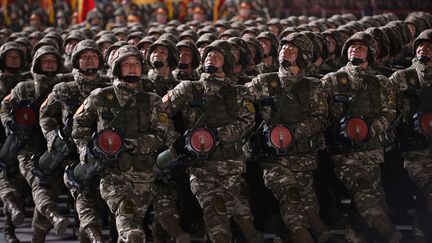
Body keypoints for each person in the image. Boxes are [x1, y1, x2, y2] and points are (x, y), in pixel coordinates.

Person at [162, 40, 257, 243]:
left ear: (228, 63)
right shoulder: (188, 88)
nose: (211, 58)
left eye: (218, 56)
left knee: (244, 216)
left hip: (232, 164)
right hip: (200, 165)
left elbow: (247, 123)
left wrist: (217, 135)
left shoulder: (239, 92)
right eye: (208, 55)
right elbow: (159, 114)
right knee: (215, 213)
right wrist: (174, 139)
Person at [72, 45, 169, 242]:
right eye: (127, 64)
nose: (132, 68)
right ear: (118, 67)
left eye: (136, 64)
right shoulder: (100, 96)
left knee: (127, 226)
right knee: (131, 228)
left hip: (143, 176)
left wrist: (129, 144)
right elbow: (79, 124)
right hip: (112, 173)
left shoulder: (152, 101)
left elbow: (161, 134)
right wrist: (85, 150)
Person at [245, 32, 330, 243]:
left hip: (304, 157)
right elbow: (239, 101)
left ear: (304, 56)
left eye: (293, 49)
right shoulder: (264, 82)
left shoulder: (314, 86)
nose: (286, 51)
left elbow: (322, 118)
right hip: (274, 157)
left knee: (308, 203)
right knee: (290, 197)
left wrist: (294, 132)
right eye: (284, 48)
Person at [321, 32, 402, 243]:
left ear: (371, 53)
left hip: (372, 152)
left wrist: (370, 129)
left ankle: (354, 238)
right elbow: (320, 114)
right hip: (344, 153)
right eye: (352, 46)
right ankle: (392, 234)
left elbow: (389, 113)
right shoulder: (330, 81)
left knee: (374, 202)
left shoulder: (381, 83)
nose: (355, 49)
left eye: (361, 47)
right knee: (363, 190)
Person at [40, 39, 111, 243]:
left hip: (102, 151)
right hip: (70, 152)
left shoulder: (108, 86)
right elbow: (45, 114)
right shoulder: (63, 89)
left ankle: (88, 234)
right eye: (84, 58)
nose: (89, 61)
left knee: (98, 199)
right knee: (81, 192)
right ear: (76, 61)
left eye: (93, 57)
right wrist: (52, 136)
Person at [0, 45, 68, 241]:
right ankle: (12, 228)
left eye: (53, 61)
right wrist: (9, 124)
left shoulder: (63, 87)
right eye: (45, 61)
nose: (49, 65)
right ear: (37, 63)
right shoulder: (24, 87)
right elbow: (5, 107)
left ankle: (39, 234)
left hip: (54, 147)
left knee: (51, 190)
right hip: (26, 145)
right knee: (35, 182)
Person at [389, 29, 432, 242]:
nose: (424, 48)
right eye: (420, 45)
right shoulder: (401, 78)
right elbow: (389, 114)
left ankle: (420, 231)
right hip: (414, 149)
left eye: (429, 46)